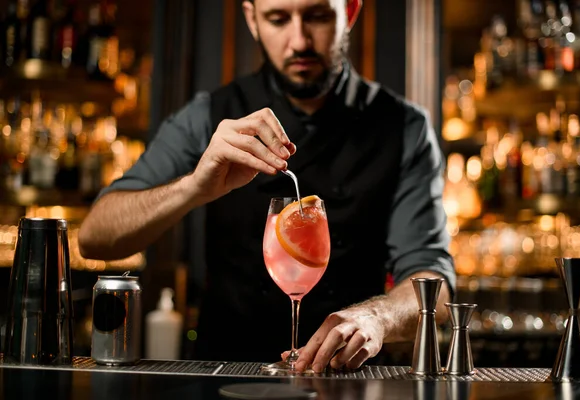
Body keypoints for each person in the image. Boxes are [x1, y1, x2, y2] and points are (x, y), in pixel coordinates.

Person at [78, 0, 455, 373]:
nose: (300, 41)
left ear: (350, 12)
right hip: (223, 375)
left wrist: (377, 317)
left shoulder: (404, 128)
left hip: (348, 379)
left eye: (318, 16)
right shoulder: (208, 114)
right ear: (252, 19)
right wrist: (193, 187)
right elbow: (96, 238)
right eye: (278, 19)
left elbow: (434, 285)